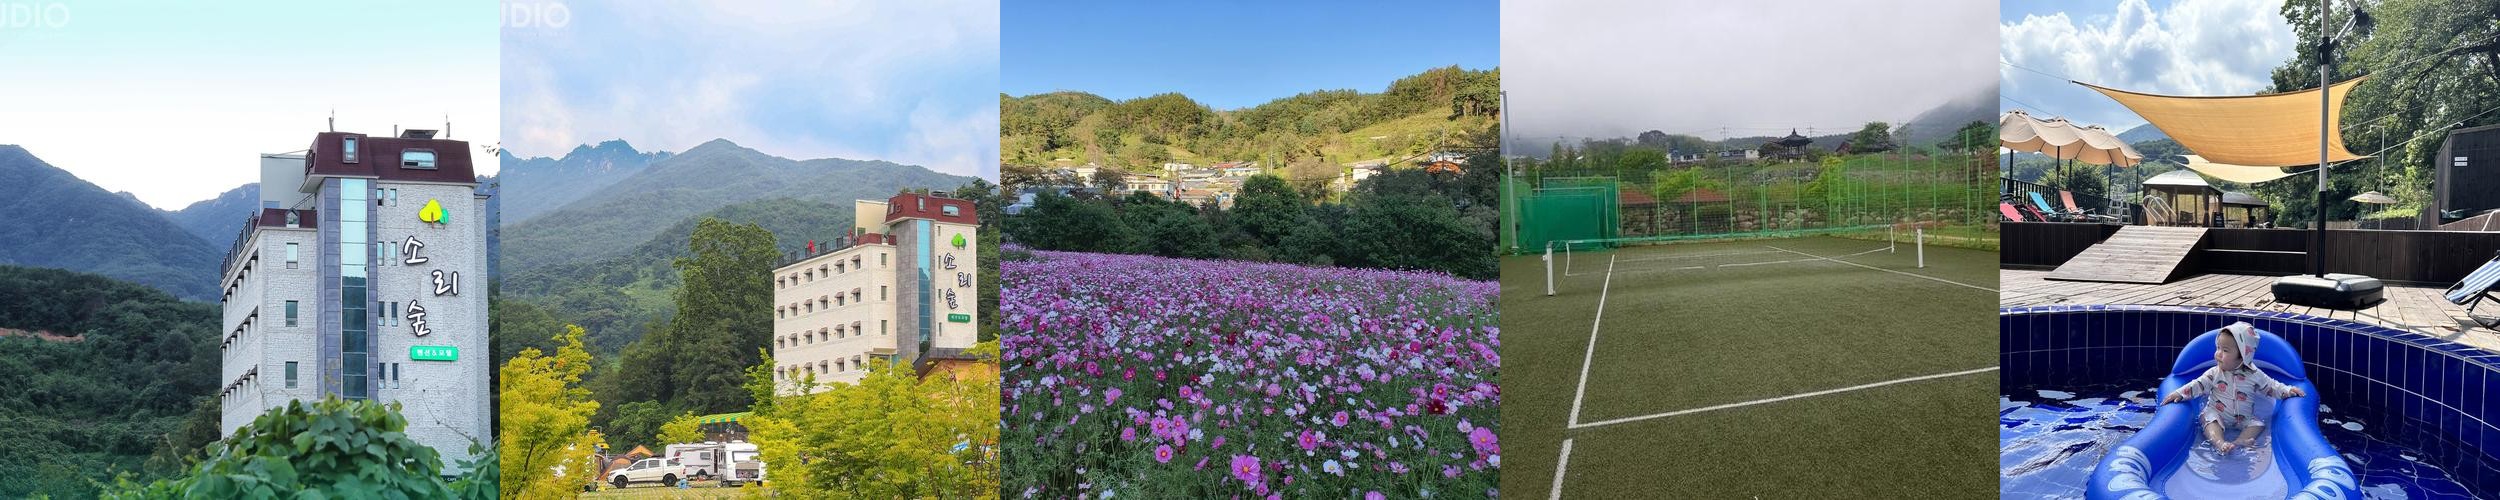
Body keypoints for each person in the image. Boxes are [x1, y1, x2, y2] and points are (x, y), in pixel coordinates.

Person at [2161, 322, 2306, 454]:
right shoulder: (2214, 373)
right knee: (2208, 420)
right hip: (2217, 413)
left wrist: (2288, 391)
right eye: (2218, 348)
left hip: (2243, 418)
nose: (2218, 353)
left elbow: (2271, 387)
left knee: (2257, 425)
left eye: (2225, 350)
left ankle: (2241, 440)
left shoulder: (2254, 374)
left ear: (2243, 356)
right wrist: (2179, 393)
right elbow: (2197, 385)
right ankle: (2219, 442)